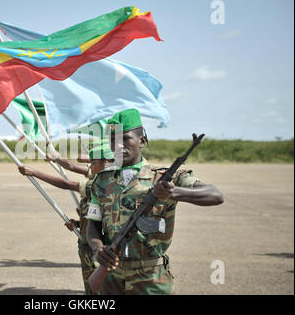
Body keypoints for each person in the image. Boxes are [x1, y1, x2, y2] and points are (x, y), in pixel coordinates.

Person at [86, 109, 224, 295]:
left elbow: (215, 195)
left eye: (125, 138)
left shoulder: (166, 177)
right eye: (113, 140)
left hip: (151, 279)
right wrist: (98, 249)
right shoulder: (101, 181)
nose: (118, 145)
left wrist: (175, 192)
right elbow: (93, 224)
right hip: (111, 278)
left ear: (142, 140)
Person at [18, 141, 115, 294]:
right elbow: (97, 219)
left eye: (93, 163)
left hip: (98, 250)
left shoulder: (99, 185)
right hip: (87, 245)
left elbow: (66, 184)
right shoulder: (99, 181)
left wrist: (34, 172)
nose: (91, 166)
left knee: (100, 290)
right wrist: (79, 223)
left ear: (106, 163)